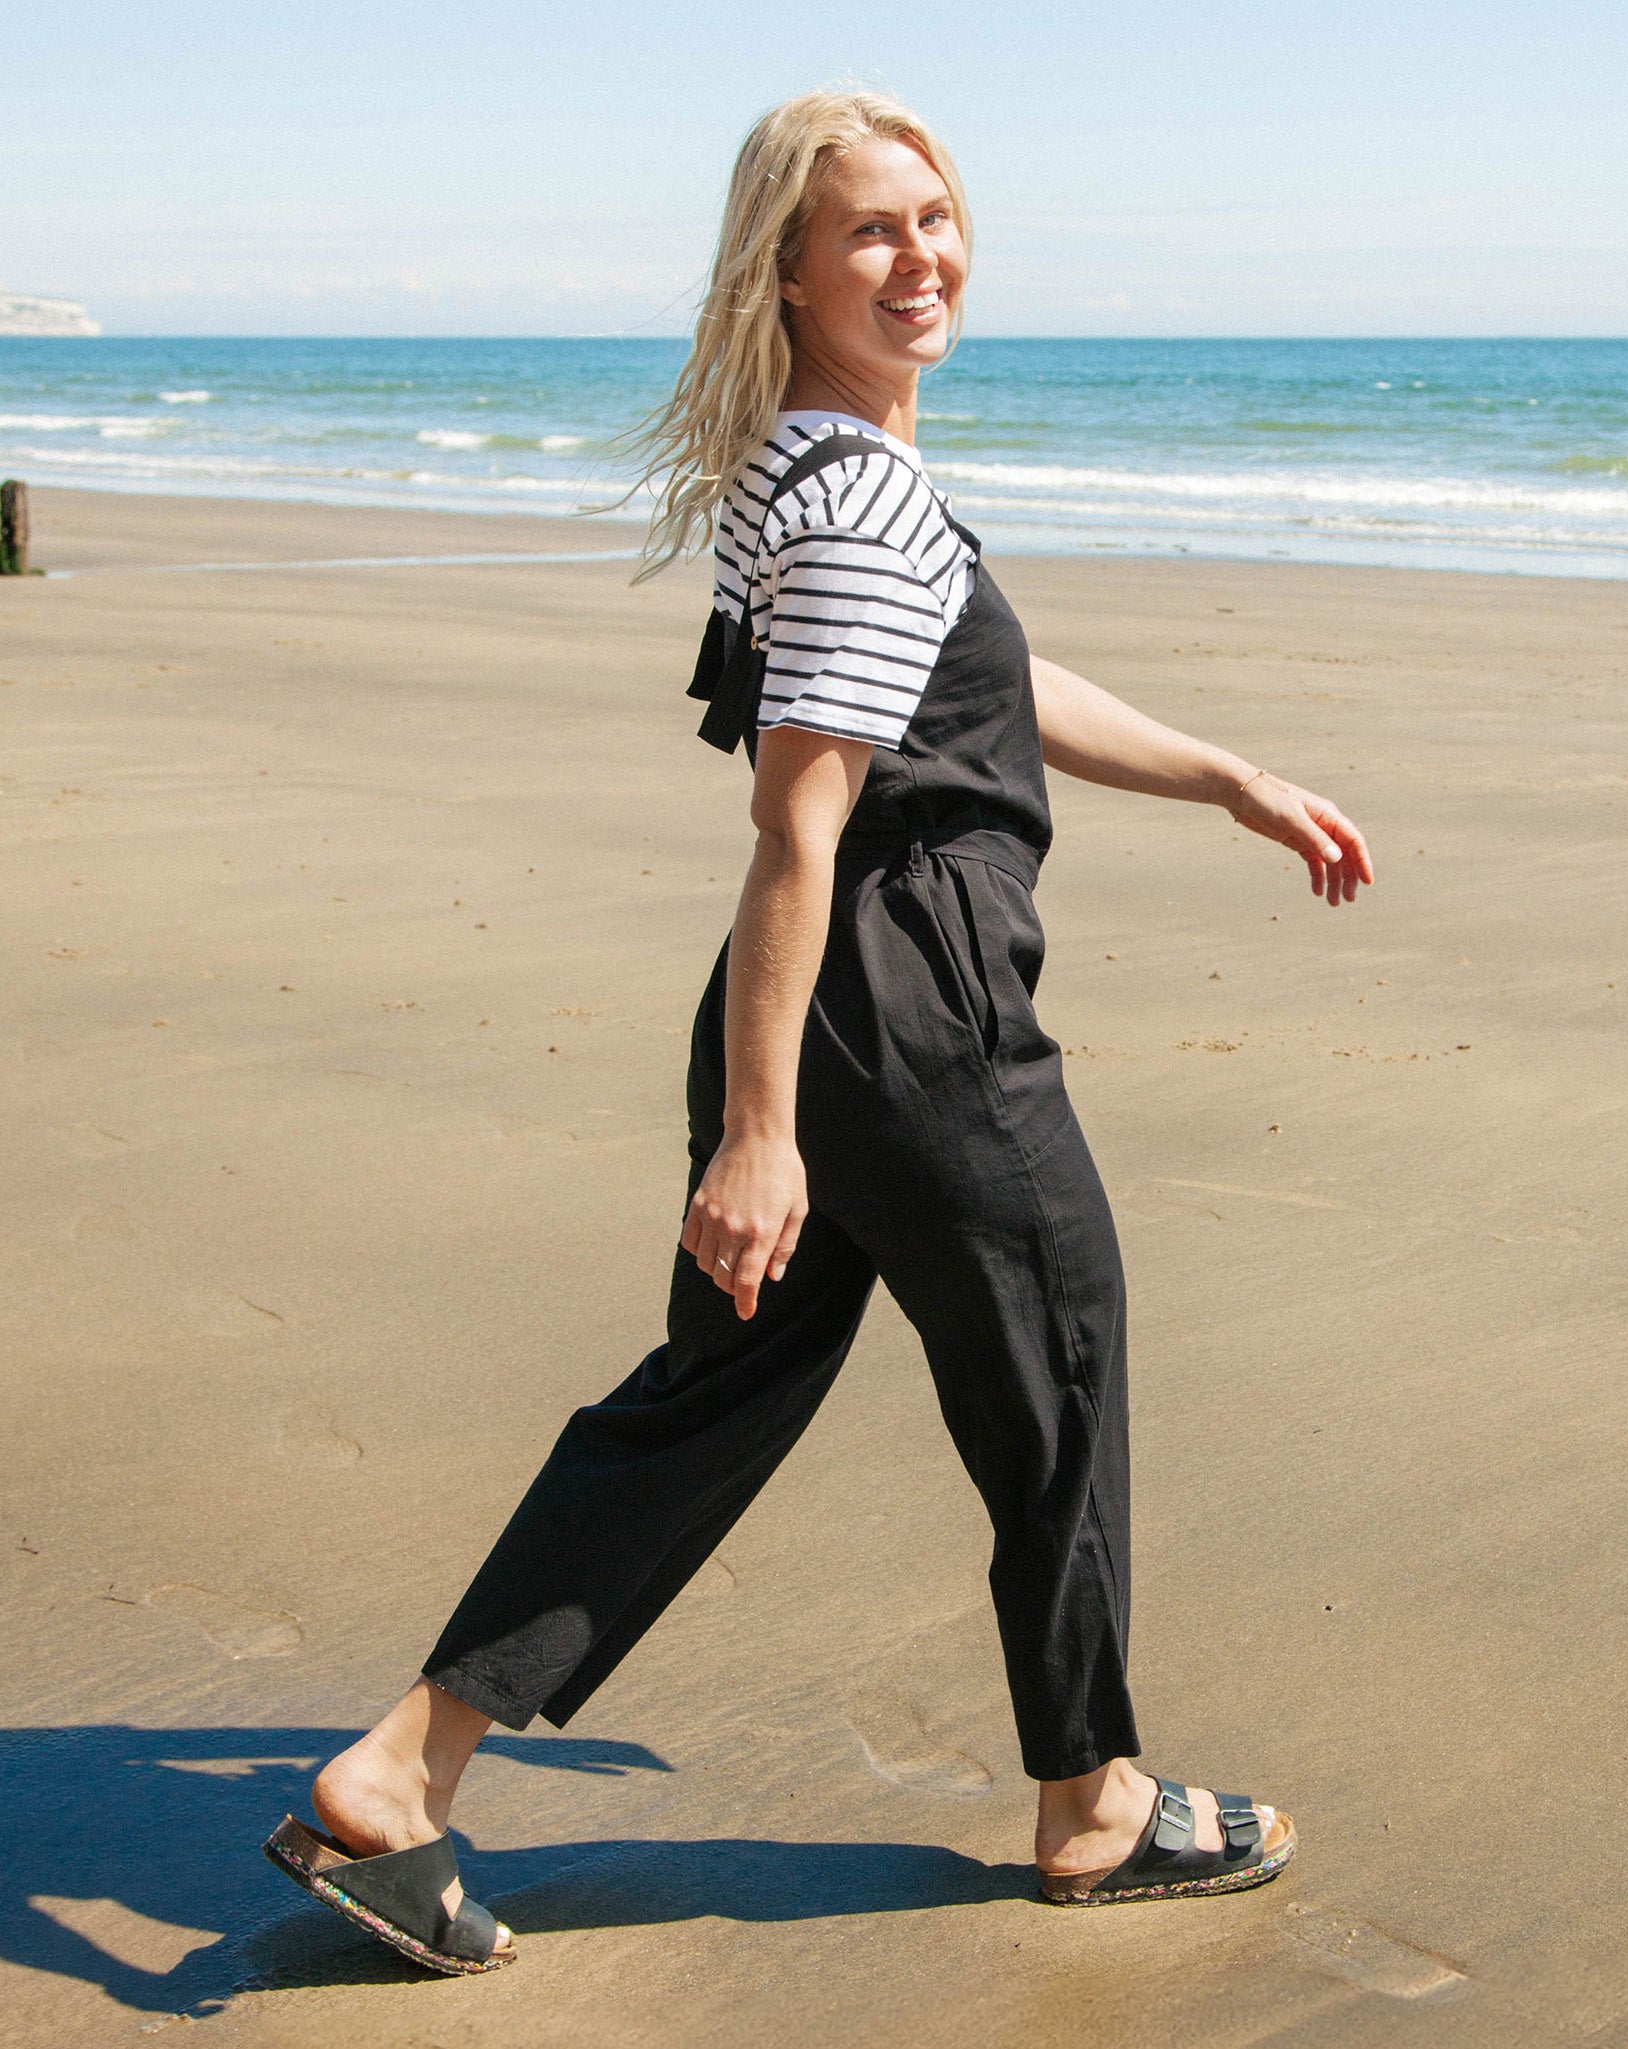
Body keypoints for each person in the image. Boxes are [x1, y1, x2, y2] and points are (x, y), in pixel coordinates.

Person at [265, 87, 1373, 1973]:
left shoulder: (812, 469)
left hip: (812, 1010)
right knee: (1061, 1347)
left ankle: (399, 1771)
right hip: (906, 1008)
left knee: (710, 1398)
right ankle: (1093, 1800)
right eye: (871, 228)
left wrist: (1229, 775)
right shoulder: (858, 494)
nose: (920, 252)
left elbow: (984, 689)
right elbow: (799, 814)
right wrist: (762, 1134)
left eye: (937, 216)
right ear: (787, 267)